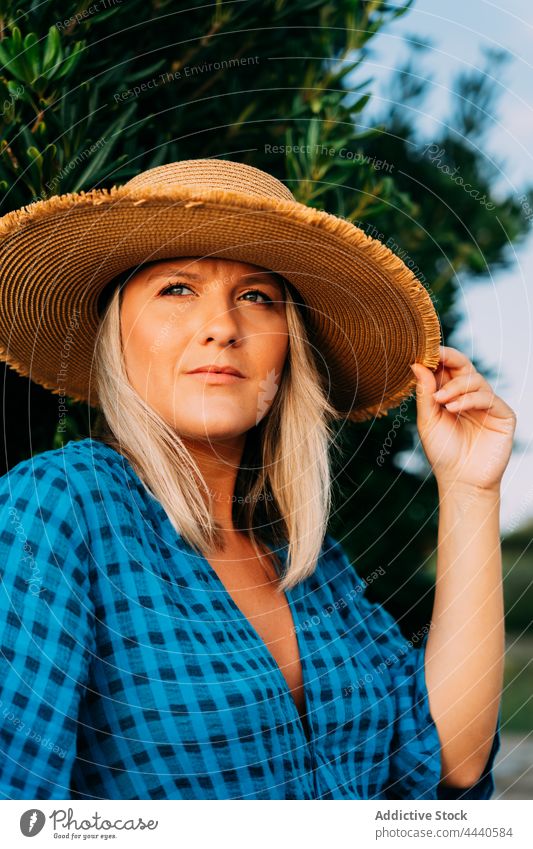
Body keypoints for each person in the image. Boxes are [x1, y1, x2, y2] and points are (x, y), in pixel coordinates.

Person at [0, 158, 515, 800]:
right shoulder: (59, 504)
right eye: (176, 290)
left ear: (288, 346)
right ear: (117, 333)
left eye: (255, 297)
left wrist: (470, 491)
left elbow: (449, 762)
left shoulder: (309, 561)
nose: (222, 327)